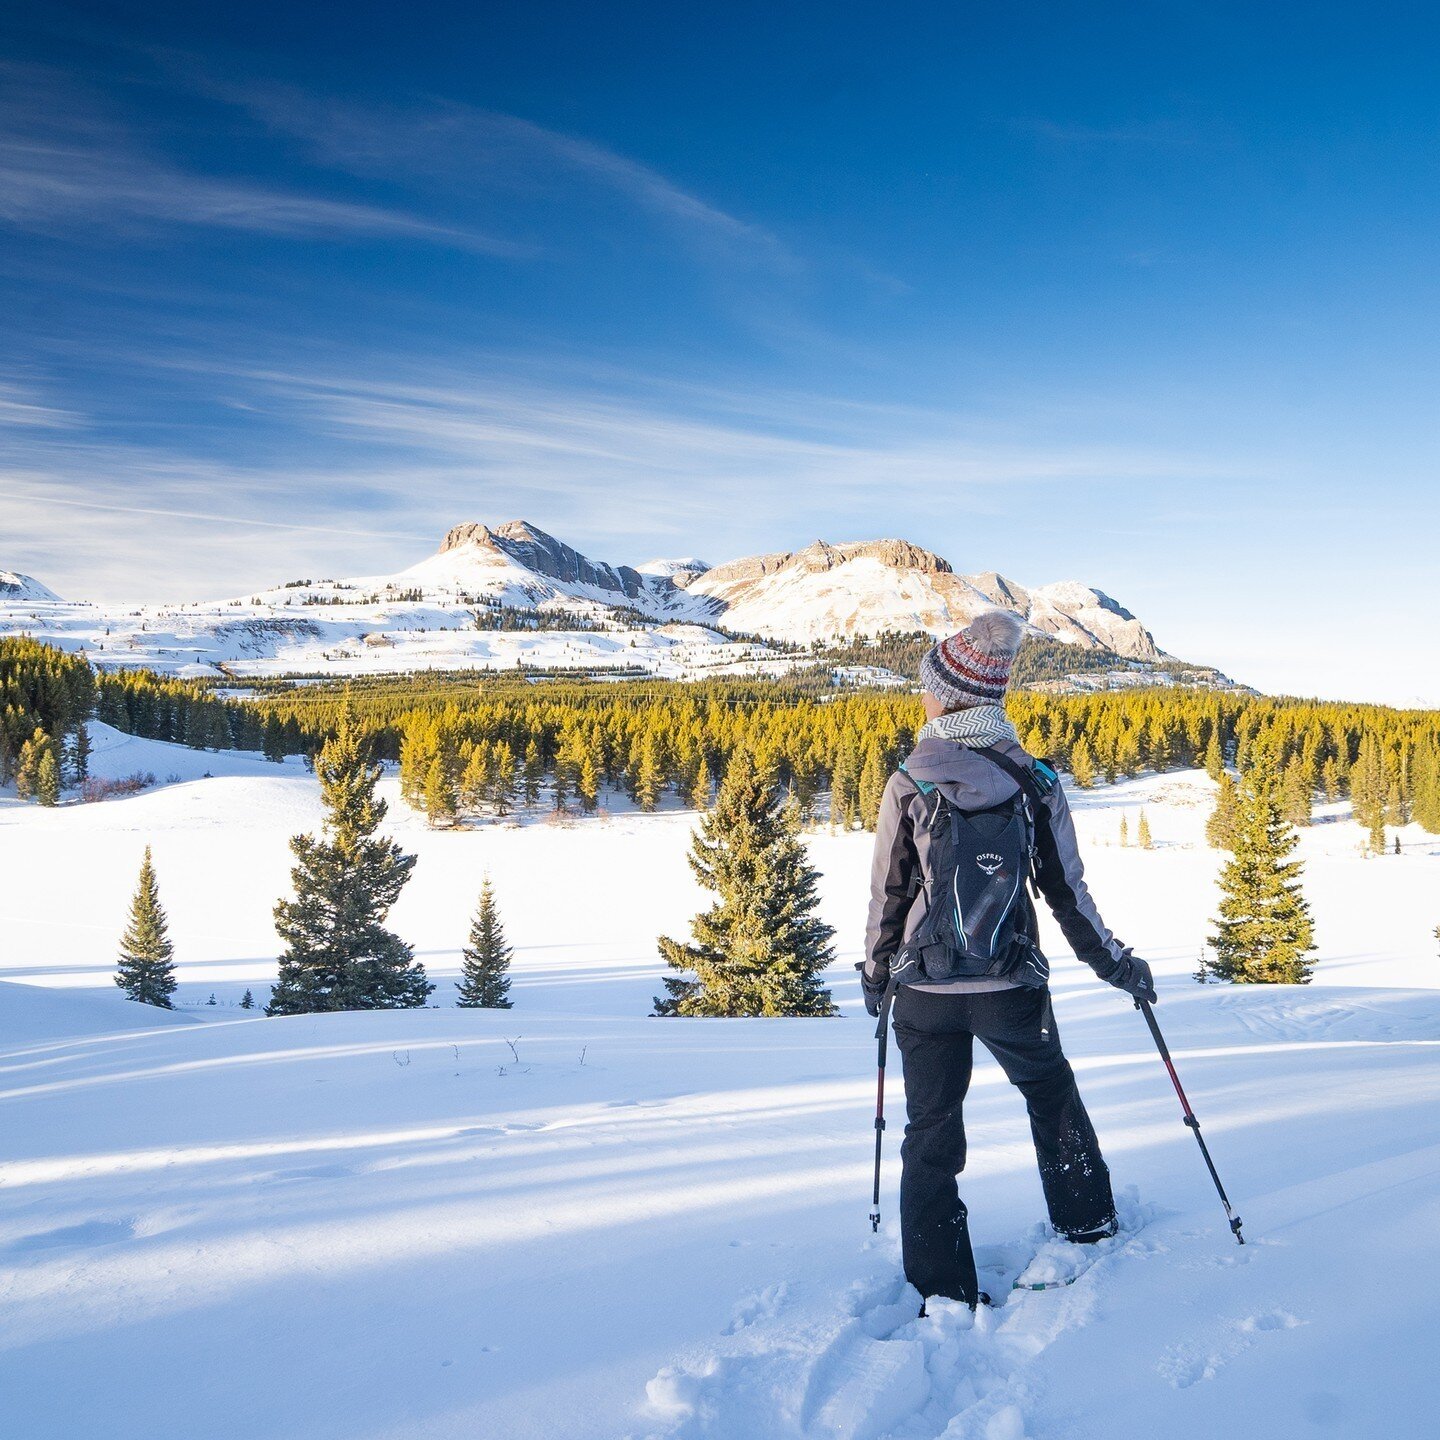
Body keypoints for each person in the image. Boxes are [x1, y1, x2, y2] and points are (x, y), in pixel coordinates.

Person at [859, 609, 1156, 1310]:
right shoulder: (1036, 779)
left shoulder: (909, 778)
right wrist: (1116, 965)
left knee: (930, 1130)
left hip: (925, 991)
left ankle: (940, 1284)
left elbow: (887, 895)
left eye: (928, 687)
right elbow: (1067, 893)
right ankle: (1086, 1220)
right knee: (1050, 1095)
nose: (922, 698)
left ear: (950, 695)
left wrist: (877, 975)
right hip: (1013, 983)